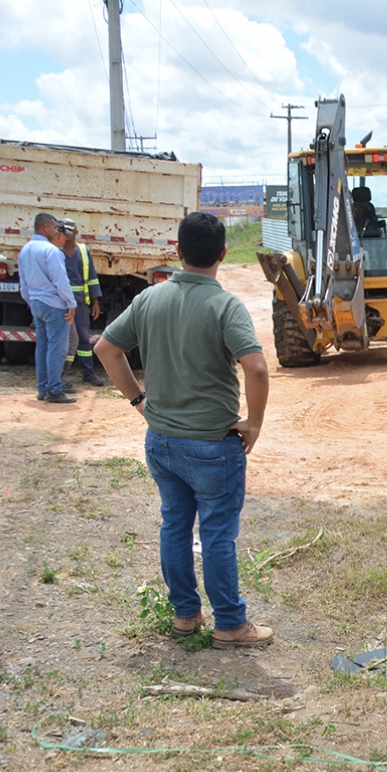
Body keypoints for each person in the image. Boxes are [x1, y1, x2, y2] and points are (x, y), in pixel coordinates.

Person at [94, 212, 273, 649]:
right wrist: (254, 424)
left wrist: (139, 401)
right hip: (213, 443)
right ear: (224, 254)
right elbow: (257, 368)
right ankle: (230, 625)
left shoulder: (150, 299)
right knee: (216, 534)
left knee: (174, 525)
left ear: (177, 251)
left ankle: (185, 617)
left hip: (161, 441)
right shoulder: (225, 305)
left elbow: (106, 348)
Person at [17, 212, 77, 403]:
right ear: (45, 227)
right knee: (57, 349)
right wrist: (71, 304)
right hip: (54, 305)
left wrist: (32, 301)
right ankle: (54, 390)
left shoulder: (25, 250)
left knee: (42, 347)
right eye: (53, 227)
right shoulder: (51, 251)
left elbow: (23, 284)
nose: (56, 231)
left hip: (36, 303)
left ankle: (43, 389)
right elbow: (61, 281)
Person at [58, 218, 105, 386]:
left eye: (70, 231)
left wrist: (95, 302)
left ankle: (88, 373)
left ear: (76, 232)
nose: (67, 235)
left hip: (80, 303)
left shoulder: (83, 252)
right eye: (64, 231)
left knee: (84, 339)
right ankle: (59, 375)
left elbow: (92, 278)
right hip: (61, 303)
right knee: (64, 340)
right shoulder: (55, 251)